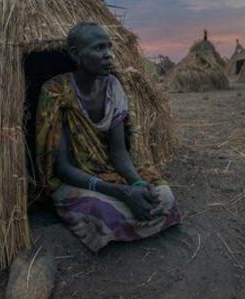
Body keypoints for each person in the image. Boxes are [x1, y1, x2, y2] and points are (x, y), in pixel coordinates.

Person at [35, 22, 181, 252]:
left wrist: (137, 184)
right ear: (75, 54)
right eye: (99, 48)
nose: (108, 55)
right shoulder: (56, 92)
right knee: (103, 213)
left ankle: (127, 216)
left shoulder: (113, 88)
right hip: (76, 180)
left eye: (109, 48)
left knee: (164, 197)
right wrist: (121, 192)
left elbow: (118, 151)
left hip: (108, 171)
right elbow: (62, 168)